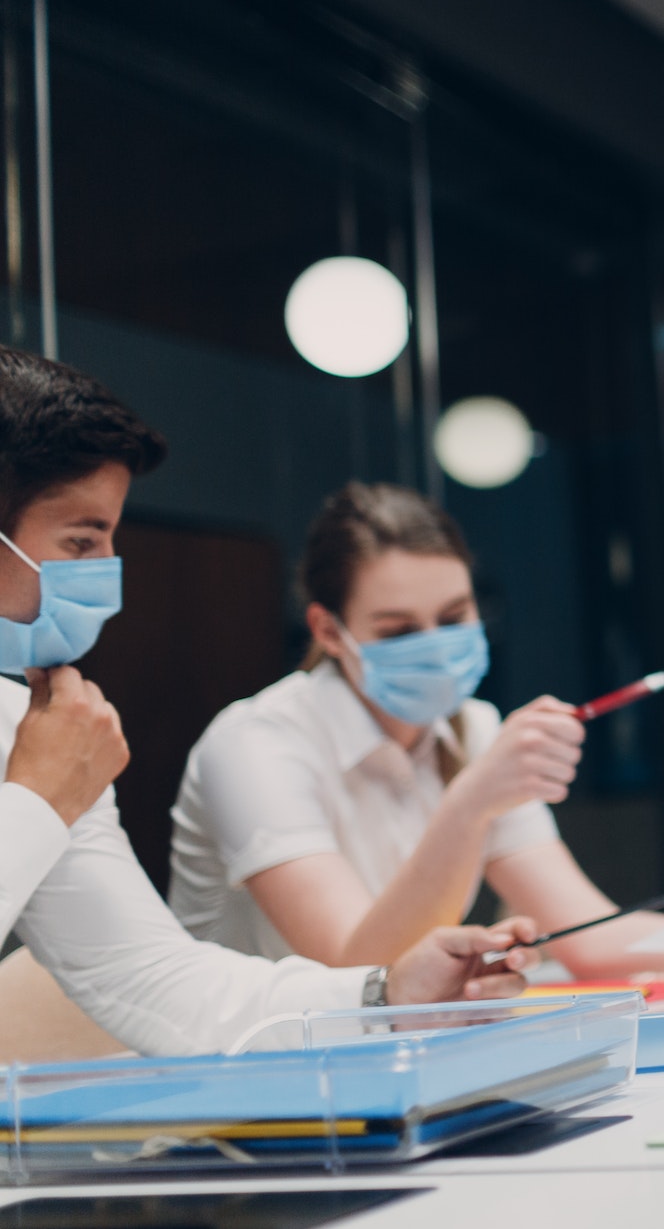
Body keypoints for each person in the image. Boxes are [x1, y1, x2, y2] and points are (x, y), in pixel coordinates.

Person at [0, 348, 532, 1058]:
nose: (105, 574)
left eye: (109, 539)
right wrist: (36, 802)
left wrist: (385, 992)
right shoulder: (47, 760)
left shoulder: (30, 728)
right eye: (81, 540)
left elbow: (148, 977)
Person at [170, 483, 664, 980]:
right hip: (261, 1085)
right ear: (328, 629)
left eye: (454, 615)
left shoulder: (474, 729)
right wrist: (473, 799)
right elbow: (355, 969)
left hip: (400, 1056)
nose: (437, 644)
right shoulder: (256, 744)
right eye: (398, 630)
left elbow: (591, 936)